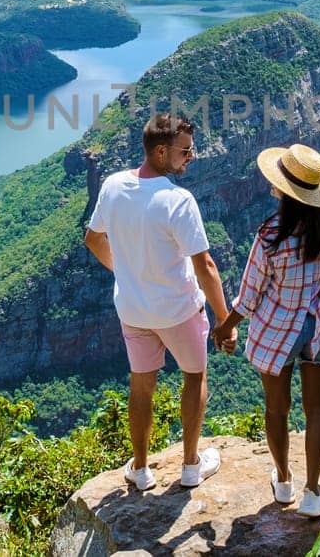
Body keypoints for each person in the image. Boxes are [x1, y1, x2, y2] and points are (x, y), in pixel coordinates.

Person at [84, 112, 233, 492]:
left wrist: (125, 272)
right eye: (186, 151)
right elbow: (206, 266)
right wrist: (224, 319)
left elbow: (93, 238)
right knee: (194, 376)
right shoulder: (177, 200)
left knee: (141, 384)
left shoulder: (113, 185)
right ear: (162, 151)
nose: (192, 157)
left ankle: (140, 468)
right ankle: (189, 465)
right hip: (178, 310)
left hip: (133, 310)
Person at [211, 143, 320, 518]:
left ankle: (285, 481)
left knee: (277, 410)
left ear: (284, 191)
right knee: (317, 409)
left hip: (277, 332)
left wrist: (225, 328)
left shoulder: (271, 235)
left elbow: (249, 297)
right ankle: (313, 491)